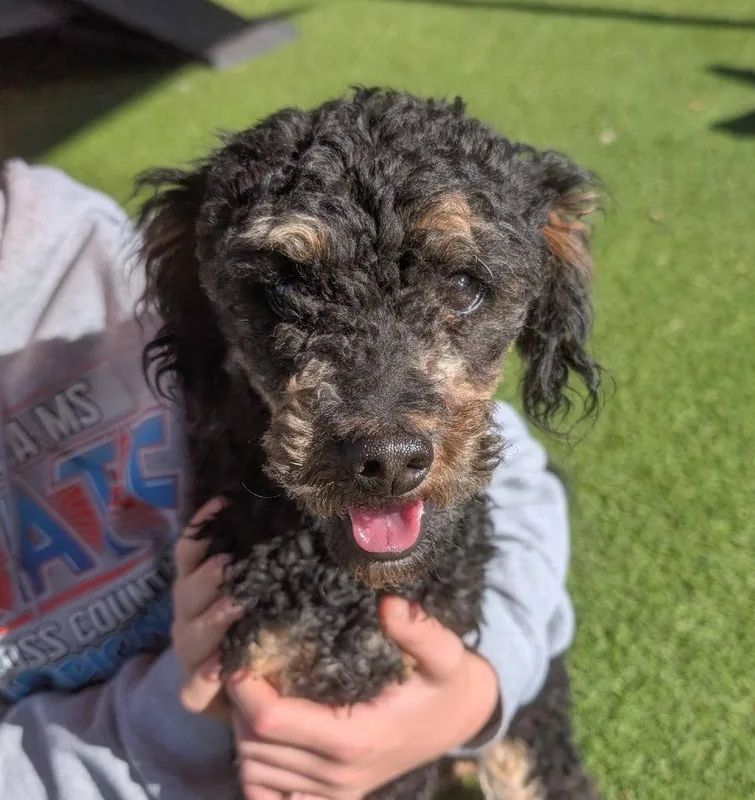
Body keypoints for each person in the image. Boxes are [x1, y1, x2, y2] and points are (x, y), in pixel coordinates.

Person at [0, 159, 575, 799]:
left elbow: (517, 472)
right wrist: (172, 724)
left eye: (462, 287)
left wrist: (484, 681)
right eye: (284, 294)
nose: (386, 438)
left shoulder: (99, 251)